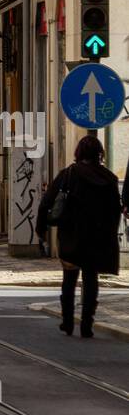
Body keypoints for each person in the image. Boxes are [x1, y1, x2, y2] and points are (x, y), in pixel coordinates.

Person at [36, 134, 121, 338]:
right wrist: (110, 236)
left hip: (71, 237)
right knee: (91, 278)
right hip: (97, 239)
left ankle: (67, 322)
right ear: (99, 154)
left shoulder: (69, 174)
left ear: (78, 153)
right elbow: (114, 211)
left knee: (69, 279)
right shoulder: (109, 179)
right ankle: (87, 324)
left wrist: (41, 229)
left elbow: (46, 202)